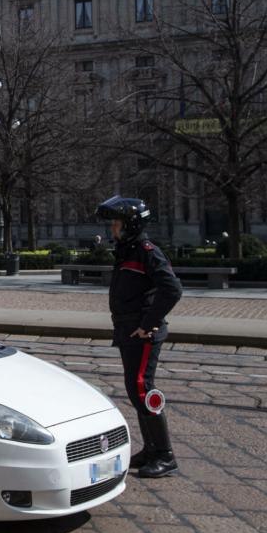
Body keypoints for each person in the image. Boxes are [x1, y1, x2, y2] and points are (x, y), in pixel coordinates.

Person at [95, 196, 183, 479]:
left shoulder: (147, 251)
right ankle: (151, 449)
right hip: (127, 329)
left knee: (142, 388)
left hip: (142, 333)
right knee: (135, 391)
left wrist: (148, 324)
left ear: (130, 225)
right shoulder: (126, 250)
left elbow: (172, 289)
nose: (112, 229)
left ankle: (165, 455)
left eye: (116, 223)